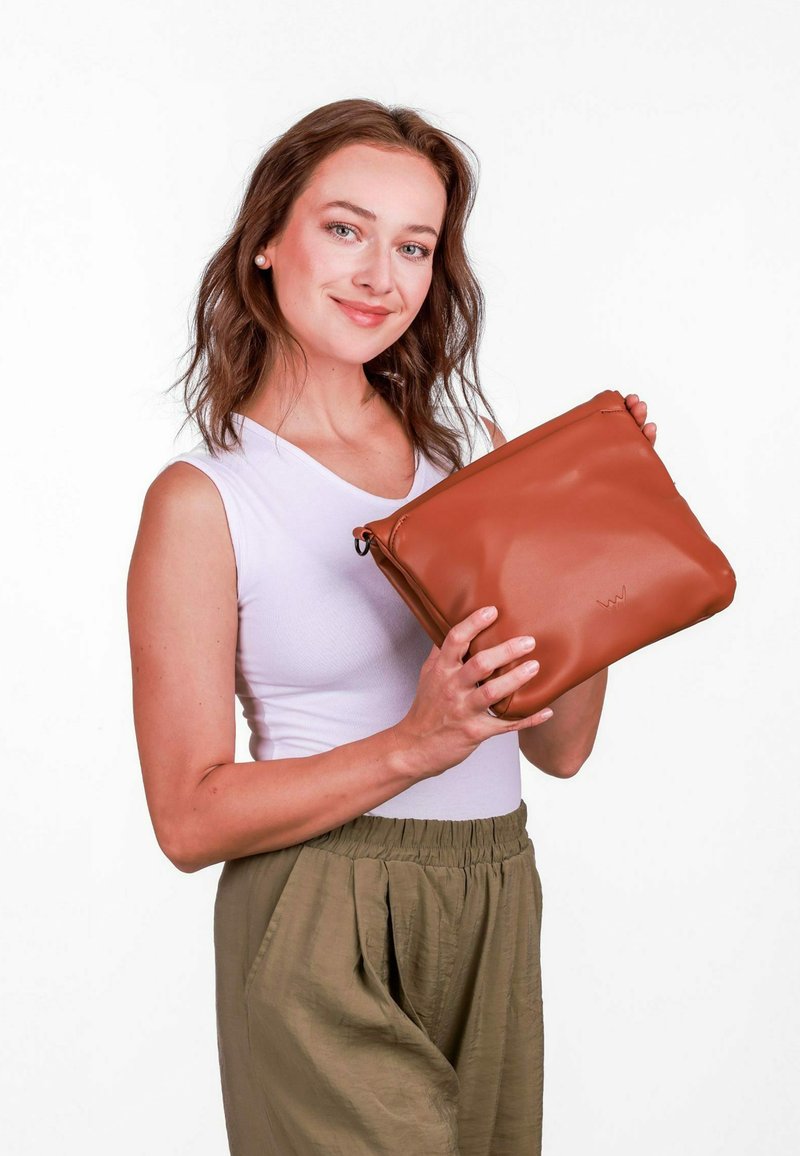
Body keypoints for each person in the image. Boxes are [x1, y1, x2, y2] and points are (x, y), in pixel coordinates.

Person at [126, 98, 656, 1156]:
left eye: (413, 246)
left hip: (493, 887)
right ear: (267, 240)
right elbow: (186, 820)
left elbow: (559, 747)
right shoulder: (208, 498)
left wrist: (587, 540)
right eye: (345, 229)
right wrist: (415, 744)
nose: (380, 276)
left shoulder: (469, 462)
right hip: (317, 905)